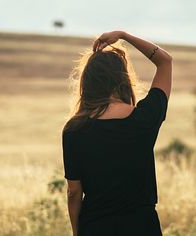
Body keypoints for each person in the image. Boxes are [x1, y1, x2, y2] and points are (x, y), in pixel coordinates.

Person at [62, 31, 172, 236]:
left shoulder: (74, 130)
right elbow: (165, 61)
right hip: (142, 226)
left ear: (88, 83)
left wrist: (77, 232)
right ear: (122, 79)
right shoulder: (144, 118)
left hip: (95, 227)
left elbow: (74, 192)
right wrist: (124, 35)